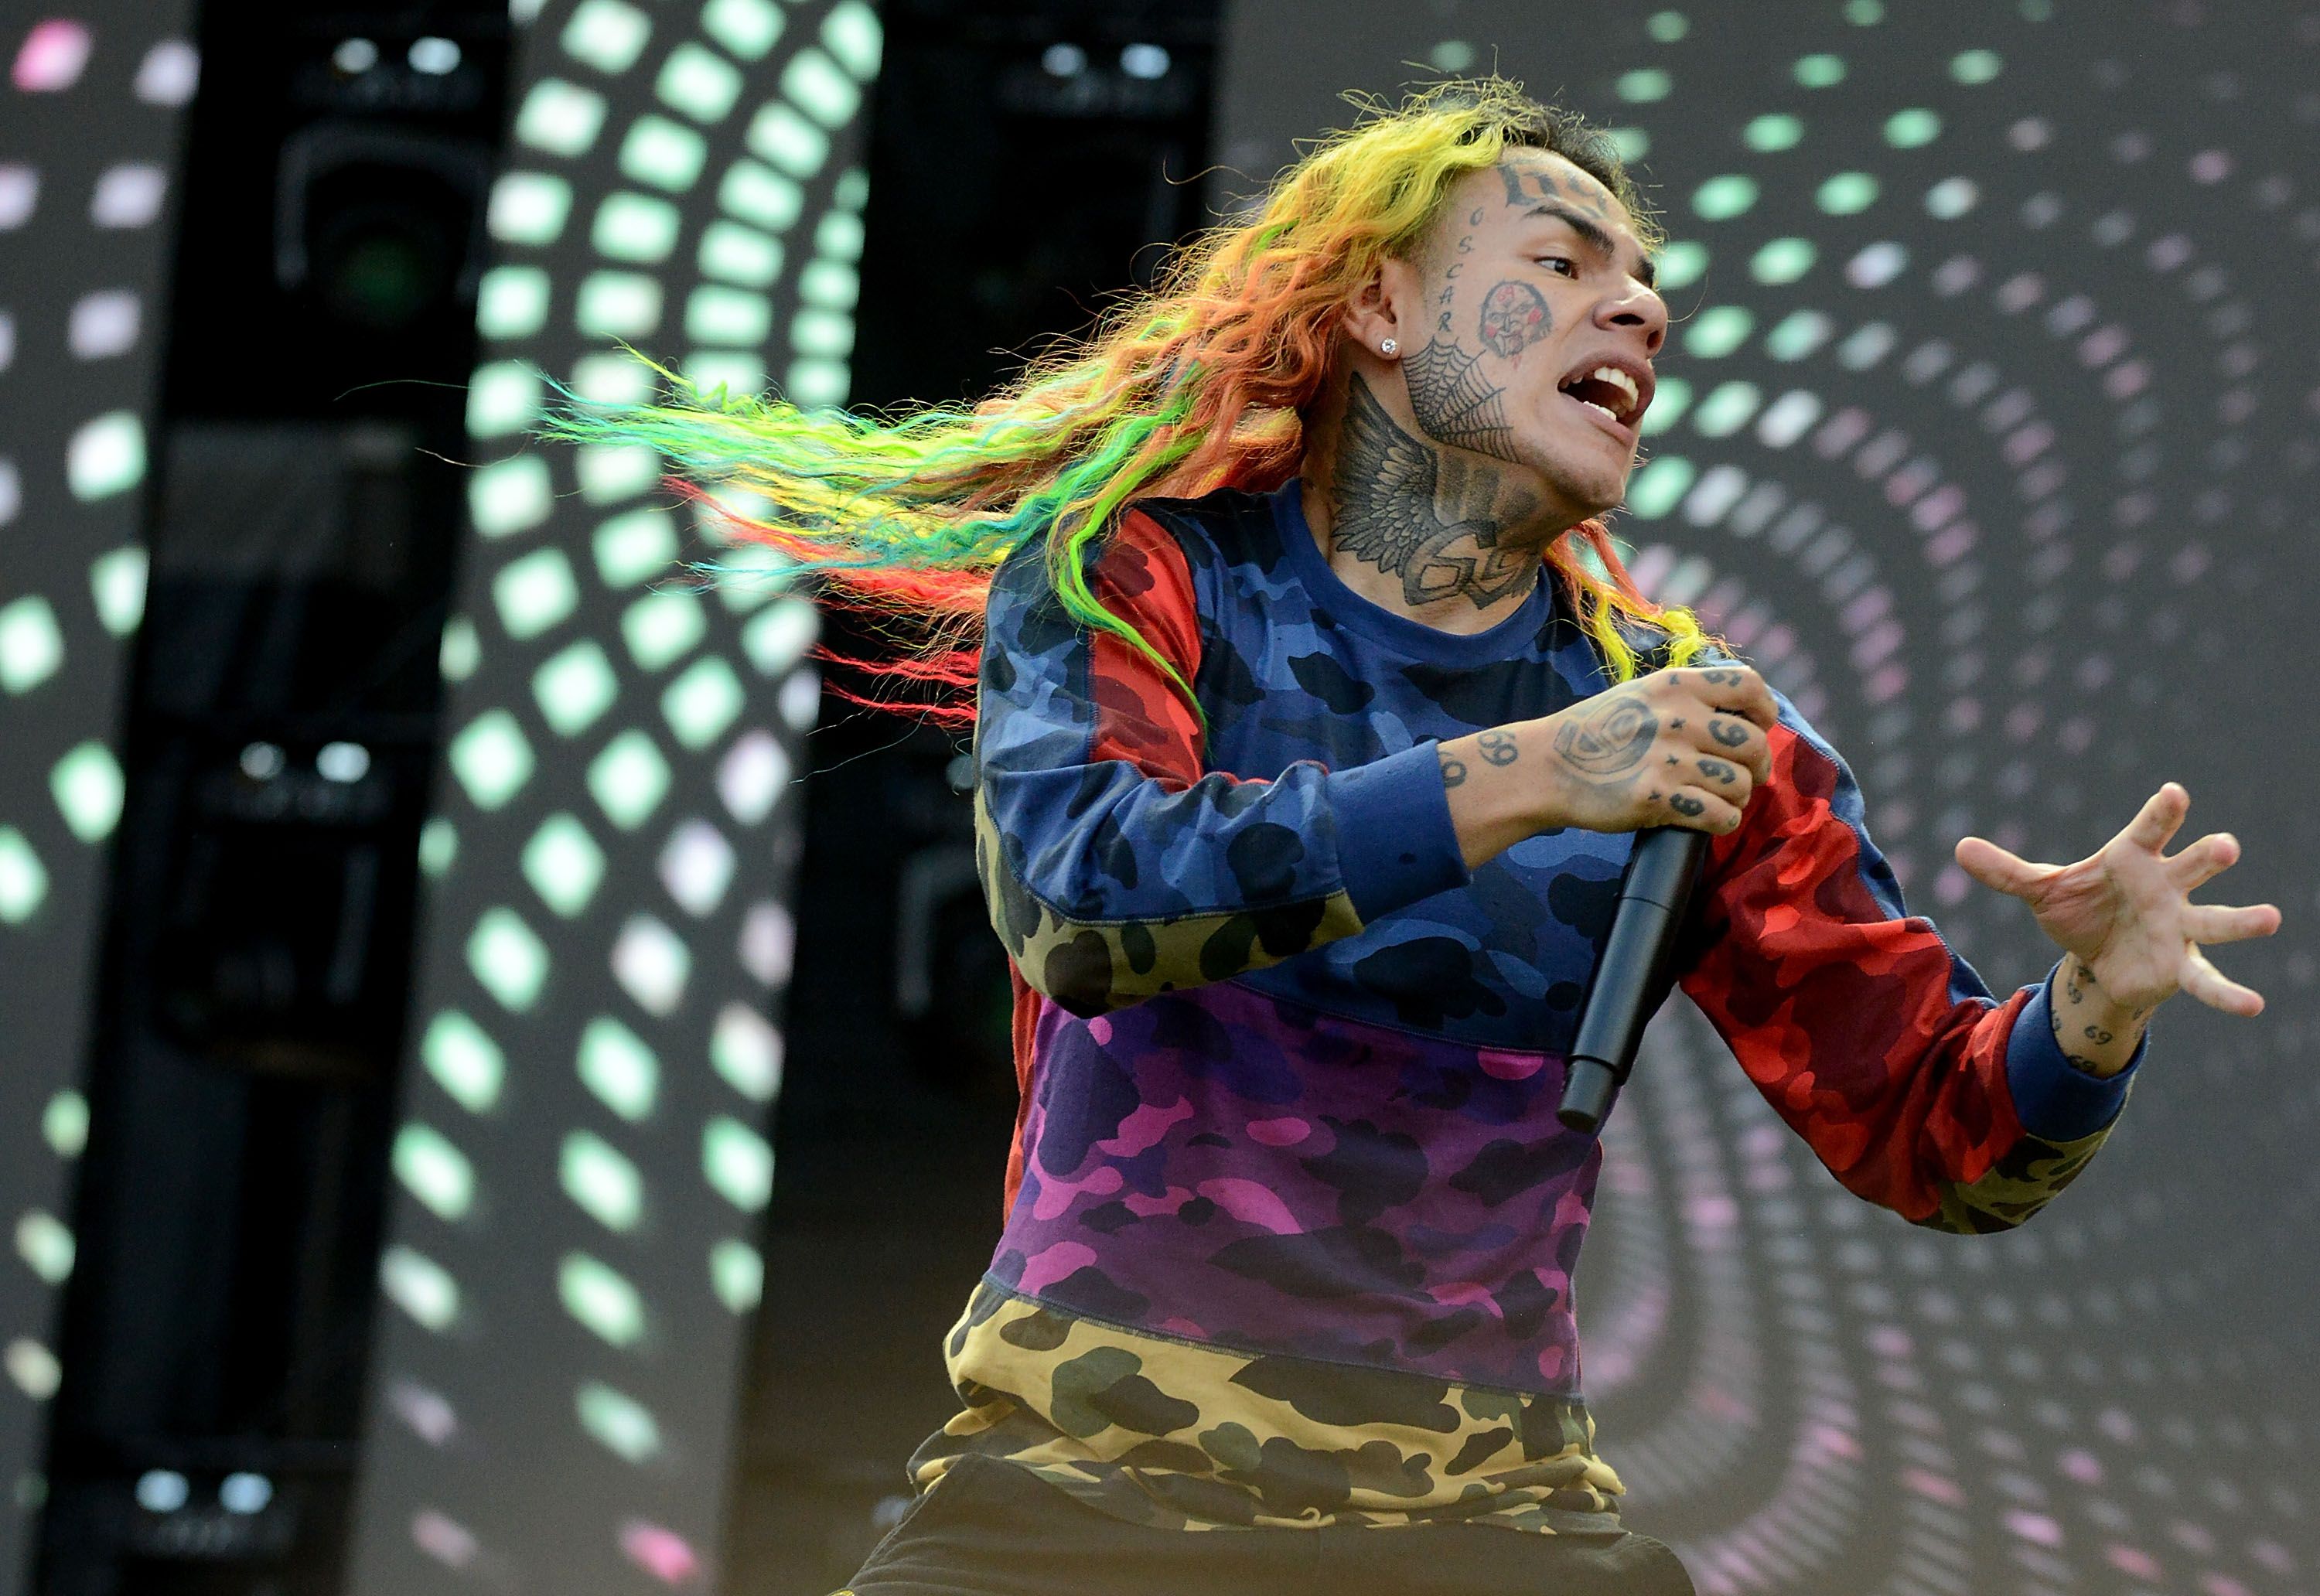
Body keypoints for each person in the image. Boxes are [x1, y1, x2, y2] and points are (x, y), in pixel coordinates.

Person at [557, 78, 2279, 1596]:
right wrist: (1533, 773)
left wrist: (2092, 1014)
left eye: (1647, 287)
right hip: (1088, 1499)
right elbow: (1087, 903)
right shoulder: (1140, 574)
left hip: (1488, 1521)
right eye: (1563, 259)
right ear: (1380, 305)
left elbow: (1937, 1140)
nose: (1638, 307)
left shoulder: (1692, 727)